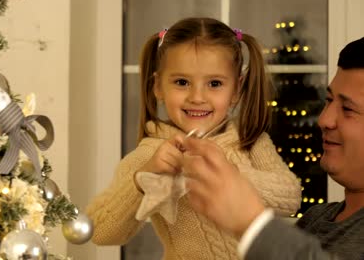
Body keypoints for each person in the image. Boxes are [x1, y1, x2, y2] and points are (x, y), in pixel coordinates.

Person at [86, 17, 301, 259]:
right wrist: (141, 179)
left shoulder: (250, 141)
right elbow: (99, 231)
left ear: (236, 89)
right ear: (158, 86)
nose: (197, 97)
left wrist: (228, 172)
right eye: (182, 82)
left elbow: (291, 198)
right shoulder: (153, 155)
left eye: (215, 83)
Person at [182, 37, 364, 260]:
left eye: (347, 109)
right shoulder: (315, 219)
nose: (324, 119)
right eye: (328, 100)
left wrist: (251, 222)